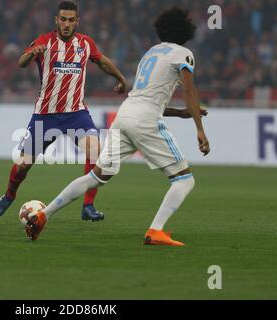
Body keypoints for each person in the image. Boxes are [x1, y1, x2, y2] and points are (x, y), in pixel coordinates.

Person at [24, 6, 210, 246]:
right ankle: (155, 231)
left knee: (96, 176)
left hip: (125, 116)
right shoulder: (183, 54)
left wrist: (181, 113)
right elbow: (189, 90)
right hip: (145, 120)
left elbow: (146, 98)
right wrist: (199, 128)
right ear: (186, 31)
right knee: (184, 179)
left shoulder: (151, 53)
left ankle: (43, 215)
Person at [0, 1, 127, 221]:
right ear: (56, 20)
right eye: (63, 19)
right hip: (46, 115)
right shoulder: (45, 41)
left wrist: (120, 78)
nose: (67, 24)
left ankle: (88, 205)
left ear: (77, 22)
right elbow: (21, 62)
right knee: (23, 165)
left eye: (71, 20)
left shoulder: (85, 43)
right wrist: (34, 52)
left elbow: (102, 61)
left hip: (76, 114)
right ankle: (8, 196)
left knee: (95, 150)